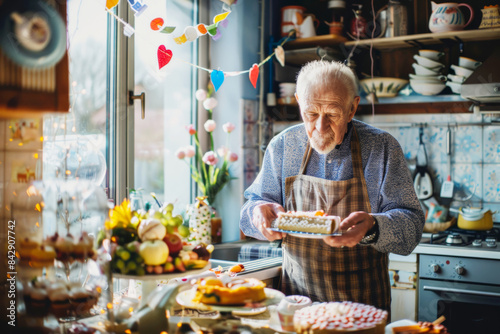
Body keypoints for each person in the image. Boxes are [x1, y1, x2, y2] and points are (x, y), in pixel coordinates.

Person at [239, 60, 424, 313]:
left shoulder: (381, 147)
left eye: (333, 114)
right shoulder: (283, 146)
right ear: (298, 101)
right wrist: (257, 213)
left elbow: (411, 230)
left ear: (352, 108)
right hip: (297, 306)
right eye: (311, 113)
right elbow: (249, 213)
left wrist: (373, 228)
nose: (320, 126)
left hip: (363, 309)